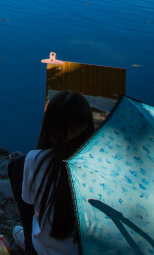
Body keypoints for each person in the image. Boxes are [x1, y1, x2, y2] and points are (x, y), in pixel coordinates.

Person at [8, 91, 95, 255]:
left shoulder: (36, 160)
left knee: (17, 165)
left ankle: (29, 239)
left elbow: (29, 201)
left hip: (43, 251)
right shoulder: (99, 165)